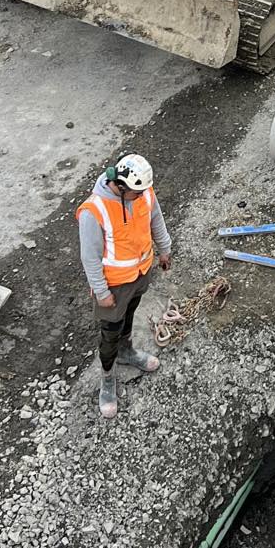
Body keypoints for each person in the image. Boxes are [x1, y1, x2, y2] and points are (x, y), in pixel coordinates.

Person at [77, 152, 172, 419]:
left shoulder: (143, 192)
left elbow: (156, 219)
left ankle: (126, 351)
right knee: (110, 333)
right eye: (136, 193)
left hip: (139, 275)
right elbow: (89, 257)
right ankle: (108, 378)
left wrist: (164, 249)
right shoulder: (94, 211)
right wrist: (101, 291)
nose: (141, 196)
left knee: (129, 315)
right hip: (114, 286)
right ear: (119, 186)